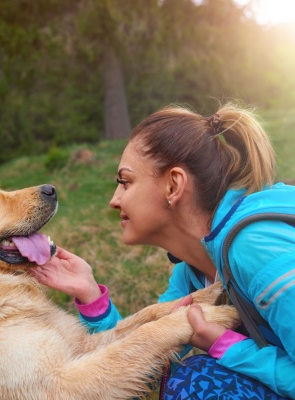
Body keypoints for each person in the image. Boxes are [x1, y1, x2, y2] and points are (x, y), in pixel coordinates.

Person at [30, 103, 295, 399]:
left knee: (199, 381)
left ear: (173, 186)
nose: (114, 200)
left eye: (125, 182)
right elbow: (144, 353)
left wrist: (228, 346)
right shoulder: (191, 274)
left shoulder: (257, 250)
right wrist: (89, 293)